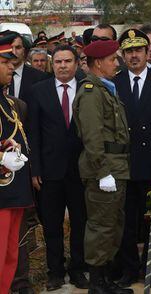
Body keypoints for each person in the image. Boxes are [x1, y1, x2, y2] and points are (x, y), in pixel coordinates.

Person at [113, 28, 151, 289]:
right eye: (129, 51)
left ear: (147, 51)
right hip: (124, 164)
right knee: (126, 221)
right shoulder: (113, 83)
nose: (134, 55)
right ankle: (129, 269)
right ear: (122, 55)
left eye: (138, 50)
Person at [72, 39, 132, 294]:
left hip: (116, 167)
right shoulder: (90, 92)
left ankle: (105, 279)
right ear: (98, 63)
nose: (117, 63)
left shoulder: (105, 88)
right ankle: (96, 284)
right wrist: (103, 172)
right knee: (100, 227)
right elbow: (92, 137)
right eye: (112, 59)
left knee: (113, 224)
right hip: (104, 169)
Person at [28, 45, 88, 291]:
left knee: (80, 223)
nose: (63, 66)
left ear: (76, 64)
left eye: (68, 61)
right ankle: (55, 272)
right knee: (51, 225)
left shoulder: (88, 89)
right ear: (53, 64)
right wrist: (35, 170)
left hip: (80, 171)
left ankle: (77, 270)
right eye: (59, 62)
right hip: (49, 172)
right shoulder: (38, 91)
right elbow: (33, 133)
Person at [0, 33, 31, 294]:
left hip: (13, 192)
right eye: (5, 61)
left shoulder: (9, 103)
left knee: (10, 256)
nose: (12, 66)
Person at [7, 32, 48, 103]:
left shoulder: (40, 77)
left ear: (24, 51)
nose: (14, 52)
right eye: (10, 48)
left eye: (18, 47)